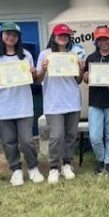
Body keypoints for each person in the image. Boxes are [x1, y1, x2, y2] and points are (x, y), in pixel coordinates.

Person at [0, 22, 43, 186]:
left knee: (27, 141)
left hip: (23, 105)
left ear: (18, 37)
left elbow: (33, 80)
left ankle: (33, 168)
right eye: (7, 34)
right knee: (8, 141)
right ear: (2, 36)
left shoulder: (25, 55)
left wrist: (33, 74)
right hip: (3, 105)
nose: (11, 37)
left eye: (14, 35)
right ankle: (16, 170)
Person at [35, 23, 86, 185]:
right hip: (53, 103)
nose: (62, 38)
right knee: (57, 136)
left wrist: (80, 69)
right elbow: (38, 79)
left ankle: (67, 164)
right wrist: (43, 69)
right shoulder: (45, 54)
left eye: (65, 35)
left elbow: (78, 80)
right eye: (59, 35)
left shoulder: (74, 54)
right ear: (53, 37)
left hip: (72, 101)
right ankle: (53, 168)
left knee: (71, 136)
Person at [83, 25, 109, 176]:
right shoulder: (91, 58)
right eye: (100, 39)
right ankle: (101, 159)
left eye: (106, 39)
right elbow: (85, 78)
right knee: (94, 136)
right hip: (95, 102)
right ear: (97, 41)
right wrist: (86, 77)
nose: (104, 42)